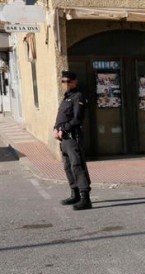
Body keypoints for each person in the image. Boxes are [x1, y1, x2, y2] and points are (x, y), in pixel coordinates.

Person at [53, 70, 92, 211]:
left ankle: (85, 198)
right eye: (63, 81)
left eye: (68, 81)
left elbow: (77, 118)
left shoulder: (78, 96)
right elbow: (61, 117)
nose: (66, 84)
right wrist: (55, 128)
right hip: (63, 139)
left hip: (72, 137)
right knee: (68, 167)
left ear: (75, 82)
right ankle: (74, 193)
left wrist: (64, 129)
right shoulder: (66, 97)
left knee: (77, 166)